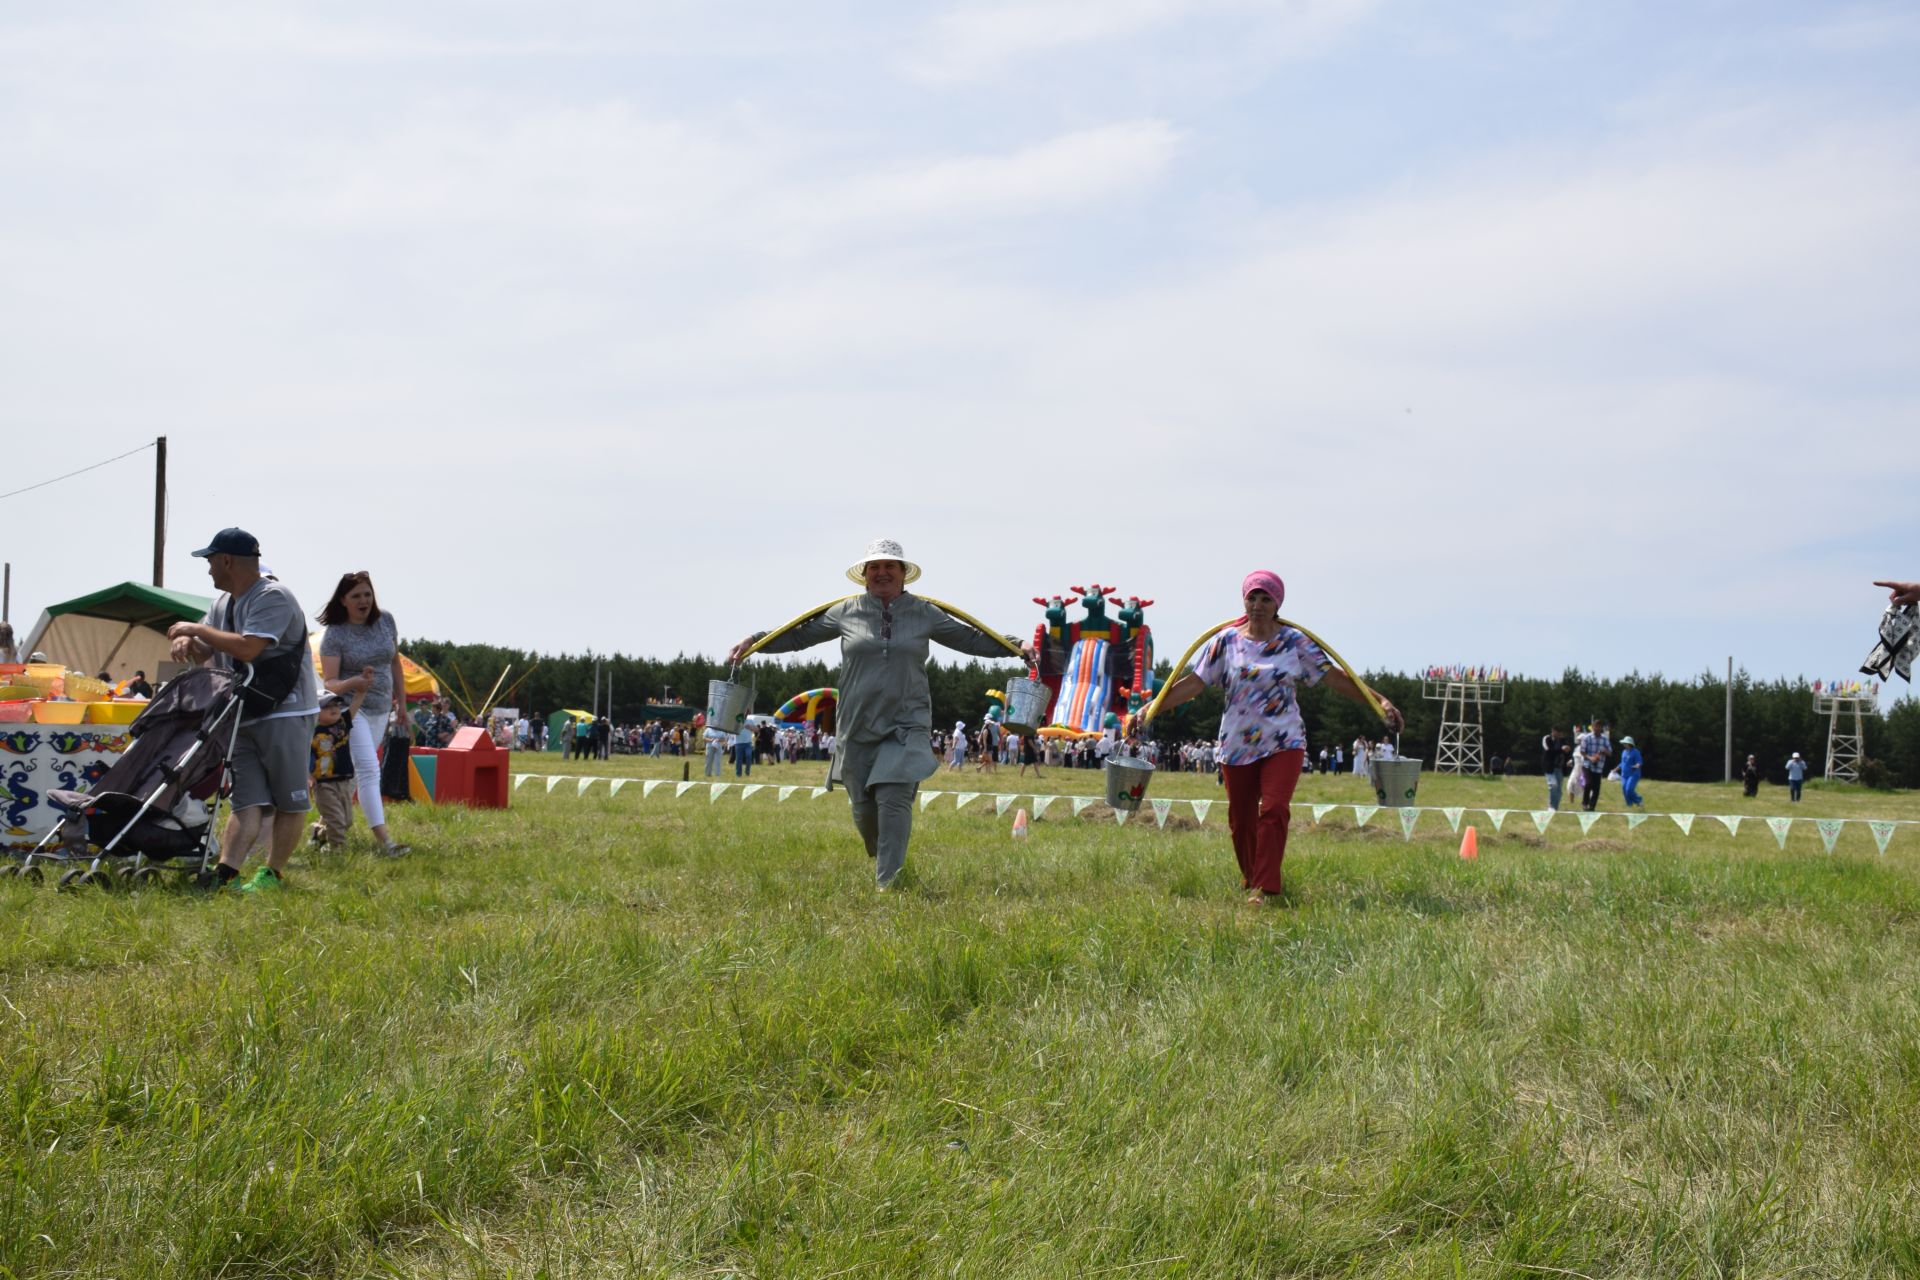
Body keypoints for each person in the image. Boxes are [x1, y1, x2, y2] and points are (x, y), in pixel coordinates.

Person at [726, 538, 1026, 890]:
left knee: (894, 797)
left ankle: (889, 884)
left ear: (903, 574)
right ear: (865, 575)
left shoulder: (924, 613)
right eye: (875, 567)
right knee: (864, 810)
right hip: (856, 723)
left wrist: (1016, 645)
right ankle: (881, 851)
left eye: (890, 567)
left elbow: (972, 639)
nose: (882, 572)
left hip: (907, 721)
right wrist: (755, 641)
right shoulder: (845, 611)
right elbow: (798, 636)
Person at [1144, 570, 1403, 904]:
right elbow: (1194, 682)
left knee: (1275, 808)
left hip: (1284, 740)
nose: (1258, 605)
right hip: (1237, 744)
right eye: (1252, 597)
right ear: (1244, 600)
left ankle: (1265, 888)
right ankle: (1252, 877)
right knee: (1241, 819)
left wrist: (1378, 701)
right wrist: (1151, 708)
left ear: (1277, 603)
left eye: (1266, 598)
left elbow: (1337, 679)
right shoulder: (1226, 641)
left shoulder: (1295, 643)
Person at [165, 528, 319, 893]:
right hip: (242, 711)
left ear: (227, 560)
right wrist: (190, 640)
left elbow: (248, 648)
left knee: (289, 800)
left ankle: (273, 874)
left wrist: (195, 628)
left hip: (285, 711)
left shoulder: (274, 596)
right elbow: (209, 648)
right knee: (246, 799)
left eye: (210, 561)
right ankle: (225, 875)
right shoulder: (222, 603)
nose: (207, 570)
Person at [316, 571, 411, 856]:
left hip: (381, 708)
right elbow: (329, 683)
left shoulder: (387, 621)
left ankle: (324, 829)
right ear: (343, 600)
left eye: (367, 594)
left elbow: (395, 664)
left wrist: (402, 704)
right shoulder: (335, 634)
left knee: (353, 775)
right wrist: (352, 684)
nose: (363, 600)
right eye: (356, 596)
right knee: (370, 770)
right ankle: (385, 841)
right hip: (349, 710)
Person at [309, 686, 365, 847]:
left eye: (335, 705)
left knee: (346, 821)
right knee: (336, 820)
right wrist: (308, 775)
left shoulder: (343, 724)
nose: (333, 709)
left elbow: (354, 705)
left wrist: (361, 690)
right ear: (315, 712)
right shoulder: (311, 732)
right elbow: (304, 756)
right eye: (326, 706)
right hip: (324, 783)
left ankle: (319, 833)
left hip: (343, 782)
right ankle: (337, 850)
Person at [1577, 722, 1609, 811]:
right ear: (1593, 727)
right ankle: (1585, 803)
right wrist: (1590, 758)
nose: (1596, 729)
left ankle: (1592, 807)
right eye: (1595, 727)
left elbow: (1610, 753)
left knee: (1596, 789)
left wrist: (1605, 751)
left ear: (1601, 728)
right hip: (1587, 765)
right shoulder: (1587, 738)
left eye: (1598, 727)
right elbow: (1582, 751)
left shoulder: (1605, 739)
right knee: (1588, 784)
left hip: (1599, 767)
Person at [1541, 726, 1570, 810]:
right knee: (1553, 785)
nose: (1560, 734)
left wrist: (1568, 752)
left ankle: (1555, 808)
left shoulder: (1562, 740)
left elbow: (1567, 751)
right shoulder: (1547, 738)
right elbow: (1548, 750)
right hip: (1549, 767)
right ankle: (1551, 806)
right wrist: (1561, 749)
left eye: (1561, 732)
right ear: (1553, 731)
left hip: (1559, 767)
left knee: (1559, 791)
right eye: (1558, 732)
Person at [1617, 735, 1645, 808]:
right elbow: (1622, 763)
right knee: (1624, 789)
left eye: (1625, 743)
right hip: (1624, 775)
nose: (1623, 744)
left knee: (1628, 789)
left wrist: (1637, 766)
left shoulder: (1636, 752)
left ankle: (1639, 800)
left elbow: (1639, 762)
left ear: (1629, 744)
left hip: (1633, 774)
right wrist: (1616, 769)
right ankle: (1629, 805)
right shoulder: (1624, 752)